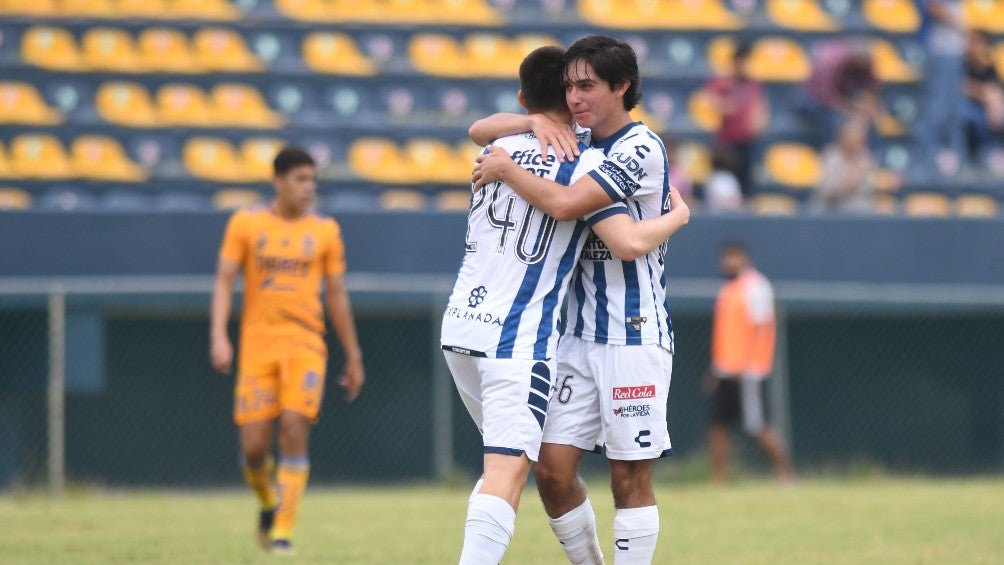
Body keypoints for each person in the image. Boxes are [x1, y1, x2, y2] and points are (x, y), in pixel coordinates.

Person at [444, 44, 690, 565]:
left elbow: (604, 231)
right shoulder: (575, 141)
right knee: (551, 470)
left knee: (628, 475)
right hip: (574, 336)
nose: (575, 98)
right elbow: (479, 127)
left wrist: (507, 167)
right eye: (569, 88)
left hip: (633, 331)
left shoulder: (637, 148)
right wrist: (533, 120)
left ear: (620, 87)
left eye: (587, 87)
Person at [209, 146, 365, 555]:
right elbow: (225, 280)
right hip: (257, 348)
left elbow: (336, 296)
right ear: (278, 182)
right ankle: (266, 501)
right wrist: (219, 336)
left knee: (294, 429)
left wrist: (353, 355)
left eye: (313, 180)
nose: (308, 188)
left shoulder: (326, 231)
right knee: (255, 447)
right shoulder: (245, 224)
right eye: (300, 179)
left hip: (306, 346)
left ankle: (282, 531)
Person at [706, 241, 793, 484]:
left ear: (745, 258)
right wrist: (716, 369)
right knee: (717, 426)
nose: (728, 262)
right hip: (725, 370)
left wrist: (745, 364)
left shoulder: (756, 286)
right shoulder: (727, 289)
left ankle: (786, 474)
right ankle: (718, 480)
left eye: (734, 257)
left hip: (748, 373)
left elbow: (760, 328)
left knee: (757, 426)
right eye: (725, 257)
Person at [701, 42, 769, 197]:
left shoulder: (752, 83)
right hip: (728, 142)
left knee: (746, 183)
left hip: (748, 141)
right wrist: (728, 106)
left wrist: (760, 119)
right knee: (726, 184)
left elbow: (760, 105)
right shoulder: (724, 82)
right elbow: (711, 101)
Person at [798, 40, 890, 147]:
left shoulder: (865, 64)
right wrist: (851, 110)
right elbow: (827, 97)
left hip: (844, 97)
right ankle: (833, 153)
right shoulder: (832, 64)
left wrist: (872, 107)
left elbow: (871, 88)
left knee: (871, 122)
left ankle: (868, 156)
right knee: (836, 122)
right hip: (813, 99)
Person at [917, 0, 967, 174]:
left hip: (956, 52)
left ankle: (951, 156)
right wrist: (962, 23)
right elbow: (933, 7)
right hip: (941, 52)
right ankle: (926, 158)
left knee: (954, 109)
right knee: (937, 108)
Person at [813, 119, 881, 213]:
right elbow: (826, 192)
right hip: (833, 214)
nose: (858, 142)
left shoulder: (866, 157)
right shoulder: (831, 156)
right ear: (843, 137)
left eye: (861, 139)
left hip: (863, 215)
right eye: (854, 138)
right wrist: (854, 176)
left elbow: (871, 189)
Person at [961, 29, 1004, 165]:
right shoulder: (963, 64)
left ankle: (996, 151)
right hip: (968, 105)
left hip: (988, 107)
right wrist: (986, 98)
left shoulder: (989, 66)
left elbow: (994, 88)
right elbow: (963, 87)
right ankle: (984, 154)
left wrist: (995, 105)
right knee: (976, 118)